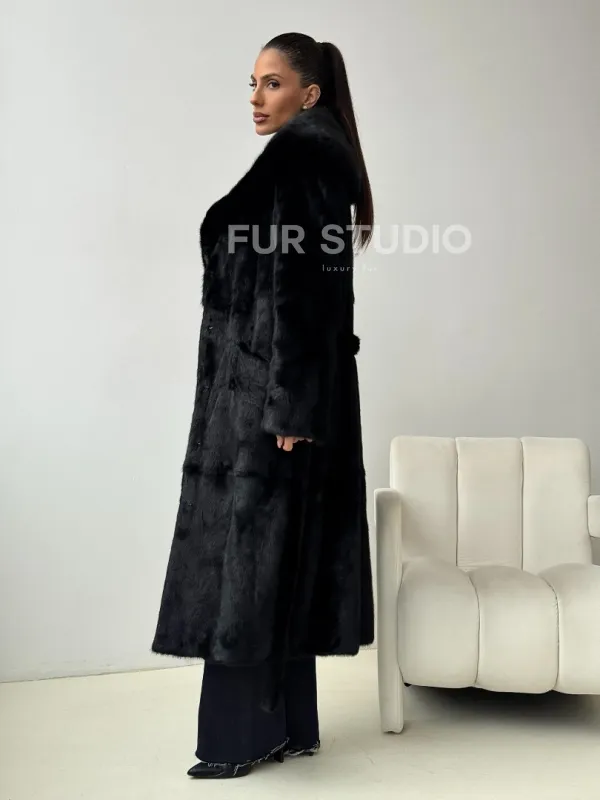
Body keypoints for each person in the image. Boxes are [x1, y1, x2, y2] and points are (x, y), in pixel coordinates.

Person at [151, 31, 375, 779]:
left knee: (250, 567)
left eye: (271, 83)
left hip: (270, 404)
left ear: (309, 93)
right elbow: (323, 284)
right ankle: (288, 728)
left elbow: (308, 293)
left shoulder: (304, 154)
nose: (255, 98)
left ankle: (238, 740)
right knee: (280, 561)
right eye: (251, 83)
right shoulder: (317, 153)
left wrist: (289, 408)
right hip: (278, 394)